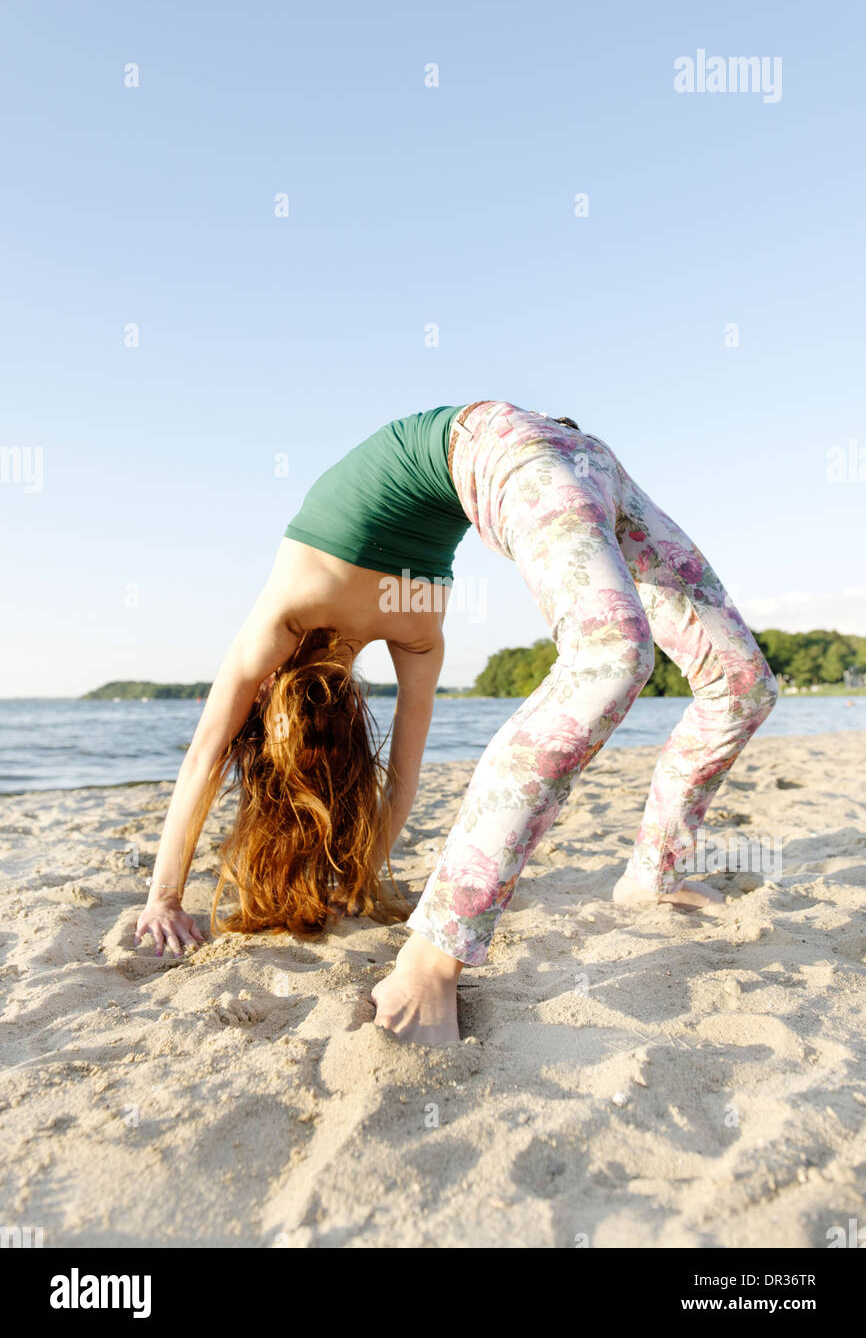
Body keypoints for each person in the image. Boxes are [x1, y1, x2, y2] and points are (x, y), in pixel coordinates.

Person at [134, 401, 778, 1045]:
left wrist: (164, 898)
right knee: (641, 662)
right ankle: (430, 958)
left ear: (266, 694)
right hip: (543, 462)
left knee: (736, 684)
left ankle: (652, 877)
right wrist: (360, 879)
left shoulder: (281, 620)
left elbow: (202, 759)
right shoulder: (413, 633)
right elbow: (403, 777)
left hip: (537, 448)